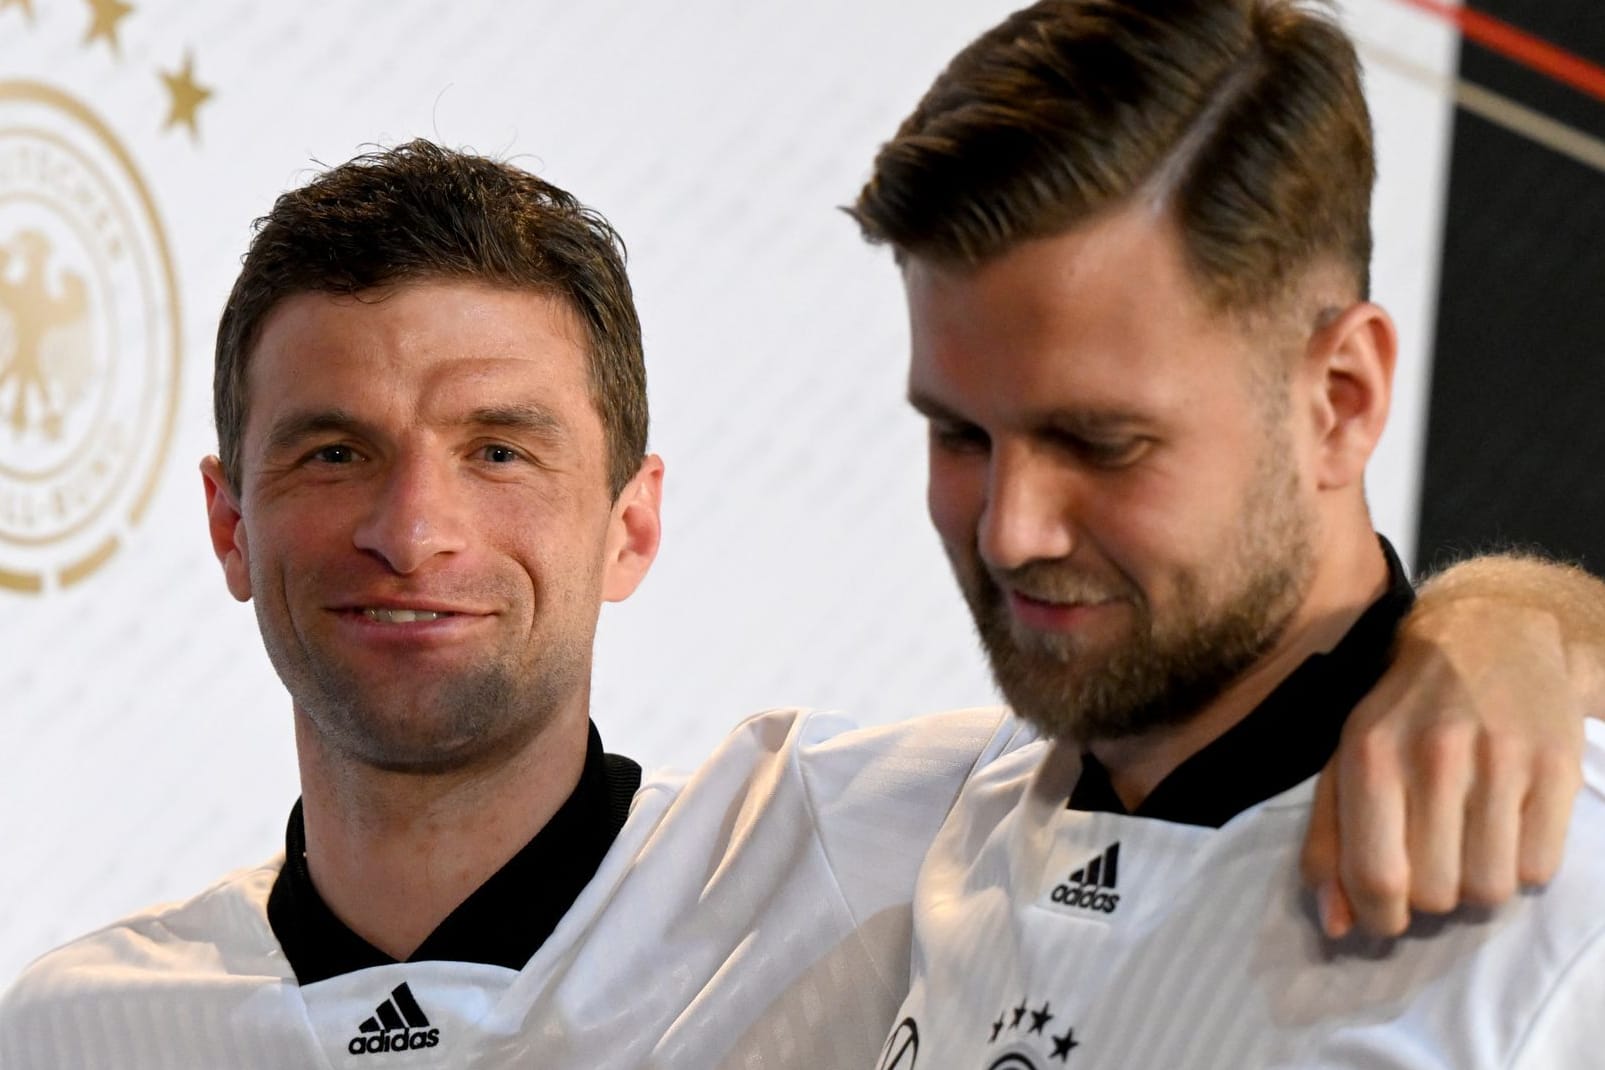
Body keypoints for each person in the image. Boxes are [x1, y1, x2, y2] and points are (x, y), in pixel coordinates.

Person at [0, 138, 1597, 1069]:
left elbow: (1269, 680)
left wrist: (1497, 628)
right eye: (335, 450)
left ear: (634, 521)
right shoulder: (80, 1028)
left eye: (501, 448)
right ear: (226, 520)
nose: (414, 528)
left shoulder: (887, 841)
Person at [850, 1, 1605, 1065]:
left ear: (1340, 399)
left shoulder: (1567, 921)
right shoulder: (906, 826)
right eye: (959, 433)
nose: (1012, 529)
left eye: (1101, 440)